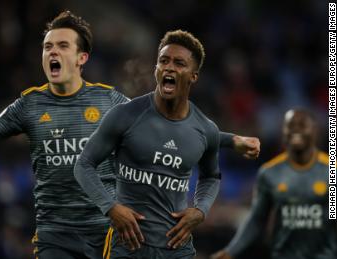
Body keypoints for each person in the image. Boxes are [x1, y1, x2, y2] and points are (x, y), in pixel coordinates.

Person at [0, 11, 259, 259]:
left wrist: (232, 140)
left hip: (107, 232)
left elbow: (173, 124)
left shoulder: (110, 102)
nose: (52, 52)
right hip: (54, 232)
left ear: (82, 57)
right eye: (47, 47)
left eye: (62, 46)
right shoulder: (28, 105)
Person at [74, 29, 231, 259]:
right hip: (128, 247)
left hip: (177, 249)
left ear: (193, 75)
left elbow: (211, 176)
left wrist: (201, 210)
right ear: (156, 68)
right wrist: (110, 207)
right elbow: (83, 164)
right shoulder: (125, 115)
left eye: (179, 63)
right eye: (163, 61)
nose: (169, 67)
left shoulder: (206, 129)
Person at [211, 109, 337, 259]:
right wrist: (230, 251)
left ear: (315, 131)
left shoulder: (331, 171)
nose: (296, 129)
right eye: (290, 125)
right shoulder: (270, 173)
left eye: (302, 125)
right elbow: (257, 220)